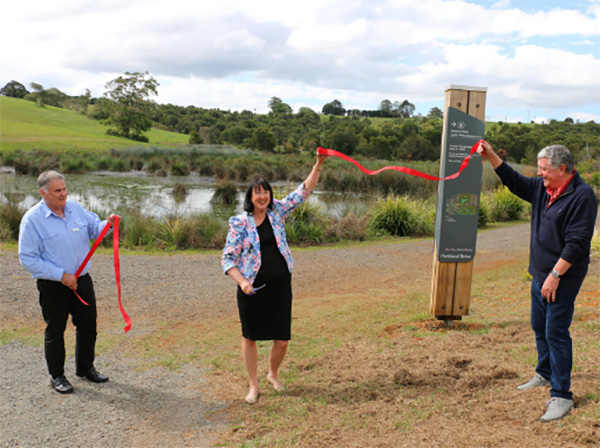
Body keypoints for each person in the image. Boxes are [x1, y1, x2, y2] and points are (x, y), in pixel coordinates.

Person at [478, 141, 597, 422]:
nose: (539, 174)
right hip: (540, 274)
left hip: (562, 277)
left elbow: (577, 243)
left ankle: (561, 395)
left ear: (562, 169)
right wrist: (491, 155)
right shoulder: (543, 189)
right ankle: (545, 373)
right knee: (538, 326)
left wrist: (555, 276)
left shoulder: (582, 196)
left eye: (543, 169)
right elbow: (514, 181)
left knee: (556, 332)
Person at [221, 152, 327, 404]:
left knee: (282, 340)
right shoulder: (239, 223)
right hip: (252, 289)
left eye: (266, 191)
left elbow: (303, 192)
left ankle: (273, 374)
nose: (262, 196)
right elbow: (227, 259)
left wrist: (318, 165)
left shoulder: (277, 211)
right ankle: (253, 385)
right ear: (250, 197)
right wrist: (243, 282)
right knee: (250, 337)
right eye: (257, 192)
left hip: (280, 286)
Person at [18, 170, 117, 394]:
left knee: (88, 325)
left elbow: (95, 229)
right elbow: (28, 258)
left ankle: (85, 368)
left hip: (82, 281)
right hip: (53, 286)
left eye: (64, 189)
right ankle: (57, 376)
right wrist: (60, 275)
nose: (63, 194)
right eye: (57, 191)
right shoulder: (32, 220)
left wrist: (108, 224)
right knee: (56, 330)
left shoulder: (76, 210)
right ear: (43, 192)